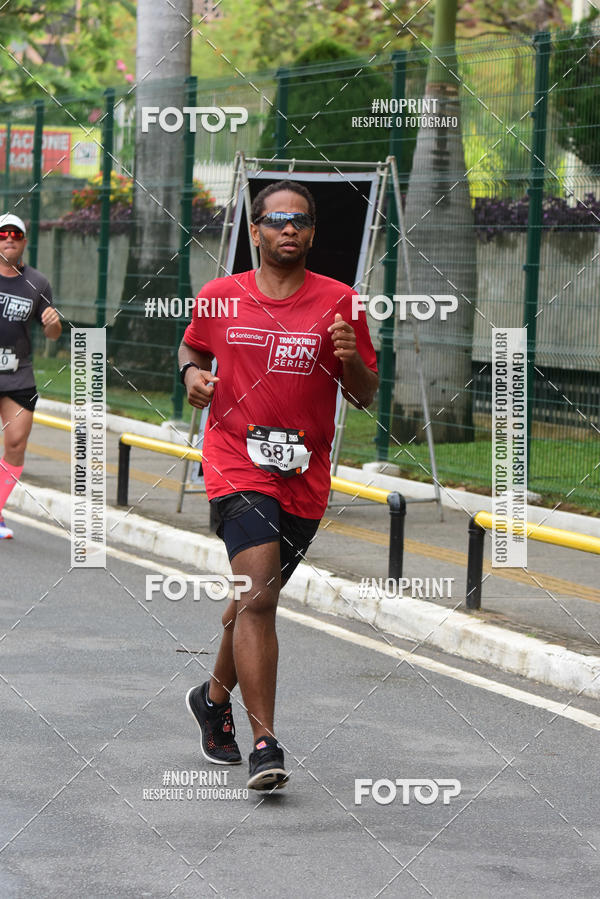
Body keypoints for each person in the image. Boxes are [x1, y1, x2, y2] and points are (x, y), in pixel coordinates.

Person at [178, 181, 378, 791]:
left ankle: (212, 700)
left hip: (304, 475)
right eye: (276, 219)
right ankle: (265, 740)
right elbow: (191, 346)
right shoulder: (220, 296)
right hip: (236, 459)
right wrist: (192, 375)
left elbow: (364, 394)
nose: (288, 229)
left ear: (313, 233)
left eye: (301, 221)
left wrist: (349, 359)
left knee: (248, 599)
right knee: (260, 594)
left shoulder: (344, 302)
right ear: (256, 230)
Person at [0, 213, 61, 539]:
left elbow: (52, 333)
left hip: (17, 375)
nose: (9, 238)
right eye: (3, 233)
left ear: (24, 241)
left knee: (15, 443)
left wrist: (52, 323)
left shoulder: (37, 283)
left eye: (16, 234)